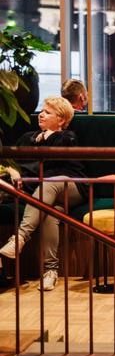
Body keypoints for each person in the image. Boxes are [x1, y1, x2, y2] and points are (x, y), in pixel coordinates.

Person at [0, 96, 87, 291]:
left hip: (71, 187)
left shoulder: (67, 137)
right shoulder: (27, 137)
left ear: (61, 120)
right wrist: (12, 171)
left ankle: (20, 238)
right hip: (42, 193)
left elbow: (54, 163)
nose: (41, 114)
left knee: (49, 183)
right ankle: (51, 271)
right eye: (42, 110)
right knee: (50, 213)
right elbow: (12, 161)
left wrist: (46, 137)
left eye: (48, 112)